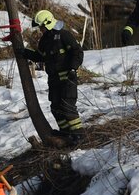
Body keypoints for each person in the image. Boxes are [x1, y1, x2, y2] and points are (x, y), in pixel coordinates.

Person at [16, 9, 86, 142]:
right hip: (54, 80)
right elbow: (40, 57)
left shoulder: (64, 35)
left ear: (47, 23)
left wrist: (73, 69)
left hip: (67, 78)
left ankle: (78, 134)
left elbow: (77, 52)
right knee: (56, 108)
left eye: (41, 27)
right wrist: (25, 53)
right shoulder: (44, 41)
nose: (40, 30)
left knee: (67, 107)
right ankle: (66, 133)